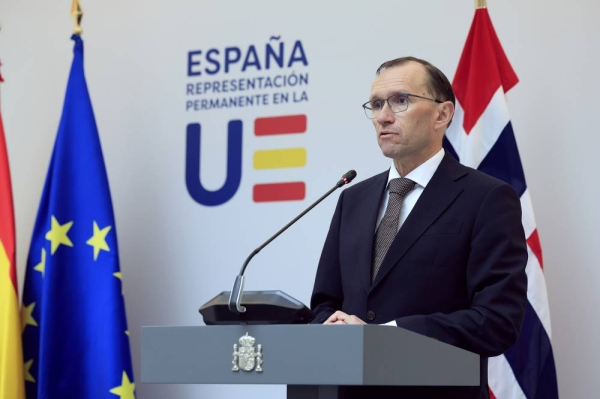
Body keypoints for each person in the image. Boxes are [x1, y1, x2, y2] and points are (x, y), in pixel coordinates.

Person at [310, 56, 528, 399]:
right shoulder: (353, 198)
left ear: (442, 114)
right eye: (377, 104)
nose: (383, 116)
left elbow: (498, 320)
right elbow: (324, 301)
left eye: (400, 101)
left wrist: (389, 335)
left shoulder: (486, 198)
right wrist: (329, 325)